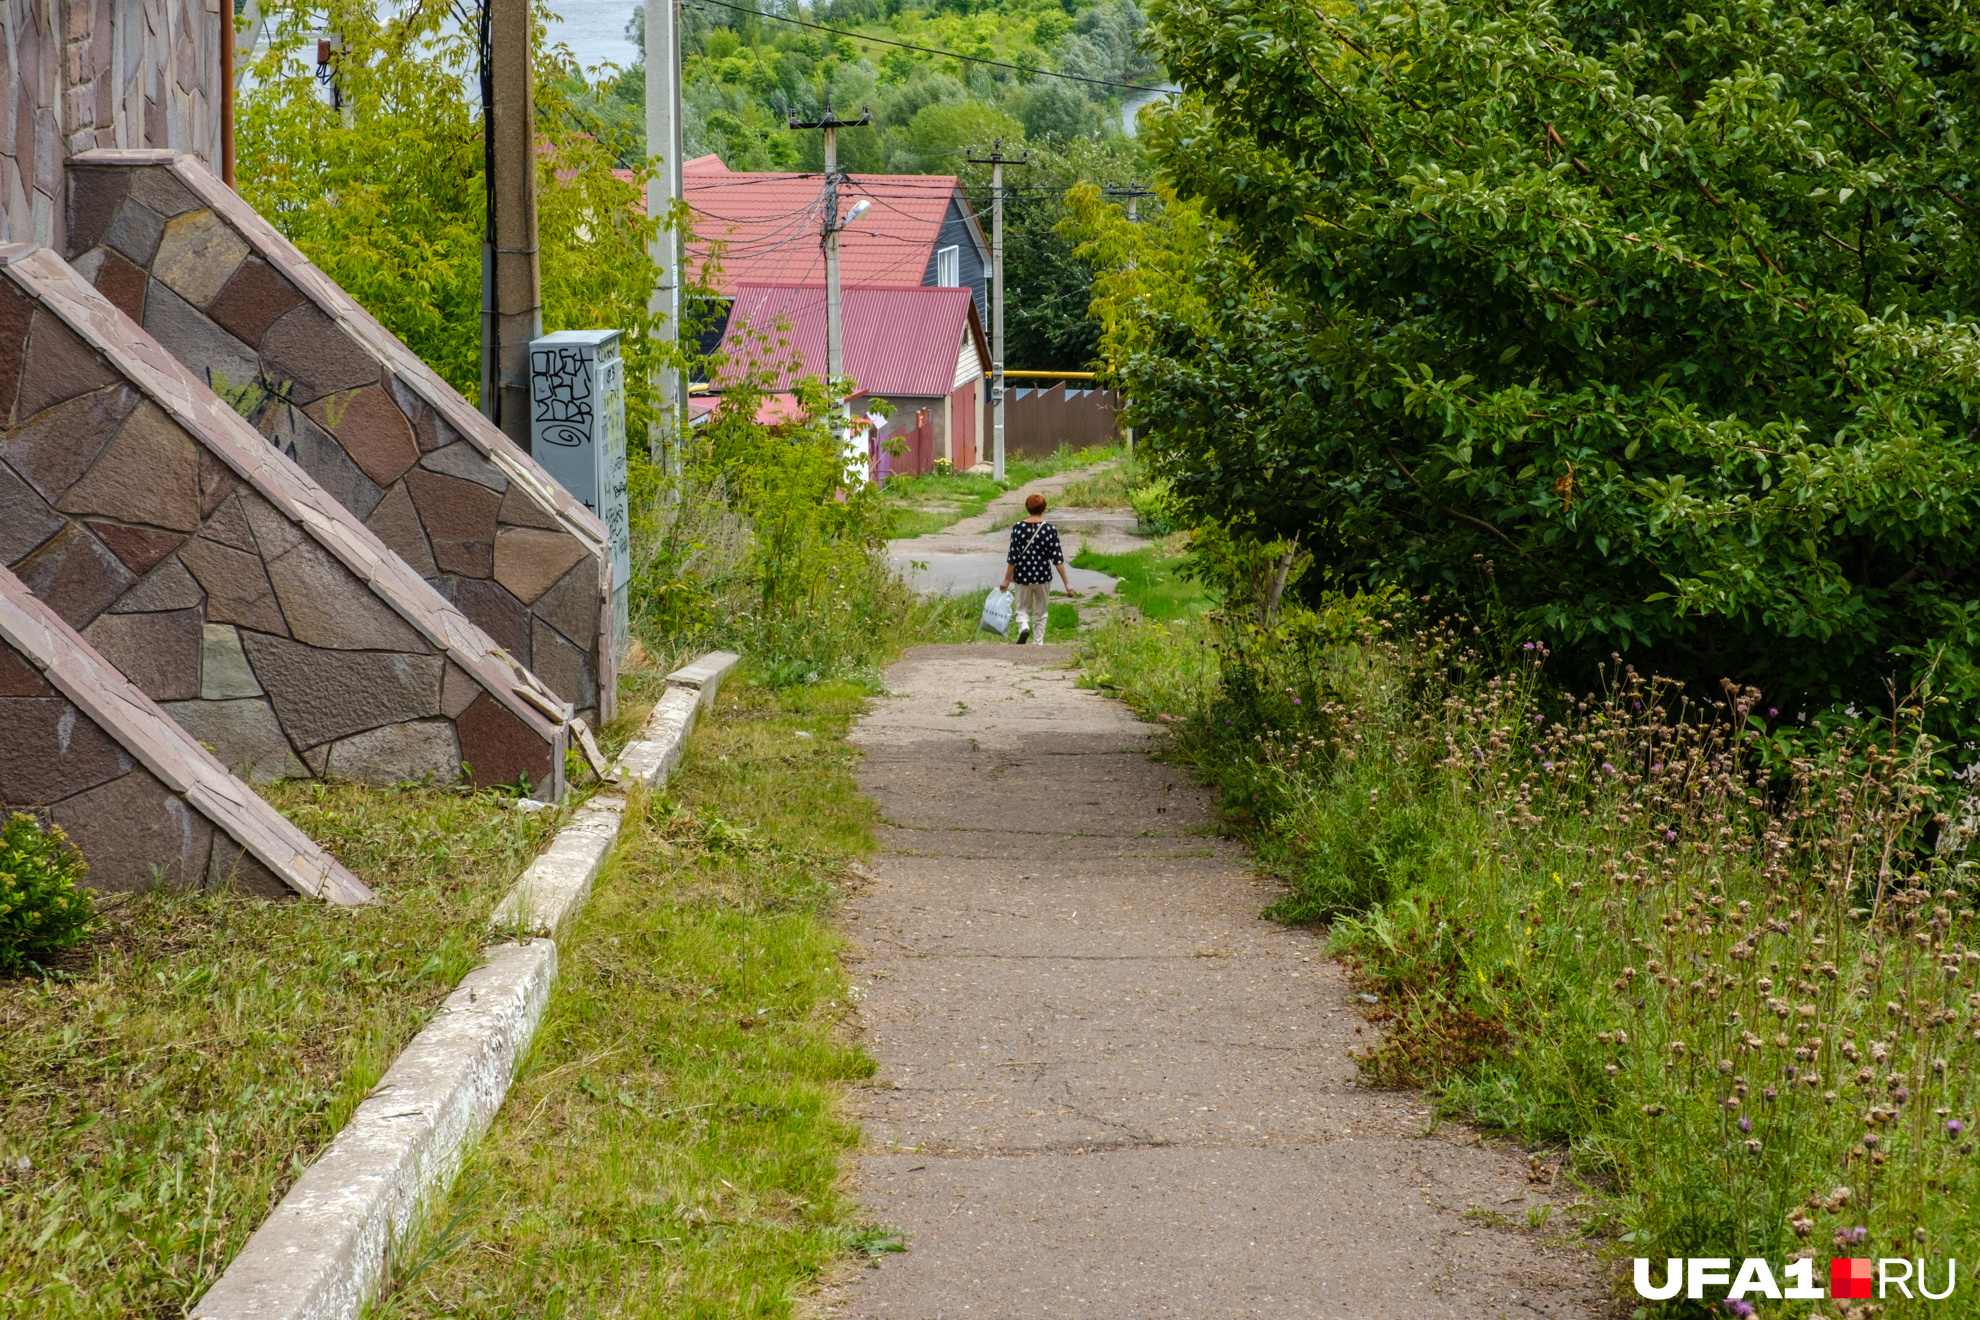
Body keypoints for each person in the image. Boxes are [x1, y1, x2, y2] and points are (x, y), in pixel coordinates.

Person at [998, 493, 1079, 644]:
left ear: (1027, 507)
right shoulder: (1050, 530)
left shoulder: (1018, 528)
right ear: (1044, 508)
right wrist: (1067, 583)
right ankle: (1038, 643)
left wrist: (1007, 579)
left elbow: (1013, 556)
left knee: (1022, 609)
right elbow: (1057, 558)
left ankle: (1023, 628)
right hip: (1043, 576)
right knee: (1041, 611)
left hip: (1022, 576)